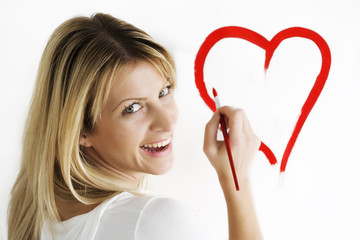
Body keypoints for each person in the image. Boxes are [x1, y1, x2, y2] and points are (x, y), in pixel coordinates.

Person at [7, 13, 262, 240]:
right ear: (81, 131)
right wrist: (238, 184)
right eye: (132, 108)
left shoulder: (37, 215)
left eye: (164, 91)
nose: (168, 121)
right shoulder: (152, 223)